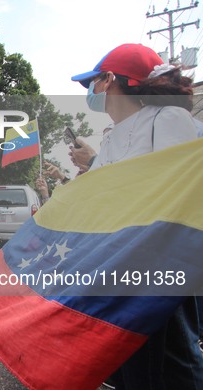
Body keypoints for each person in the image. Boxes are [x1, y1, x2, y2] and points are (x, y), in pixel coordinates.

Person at [71, 42, 201, 389]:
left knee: (175, 365)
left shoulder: (168, 118)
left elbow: (177, 192)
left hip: (160, 268)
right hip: (120, 268)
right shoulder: (114, 136)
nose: (91, 92)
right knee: (130, 368)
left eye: (92, 83)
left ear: (110, 79)